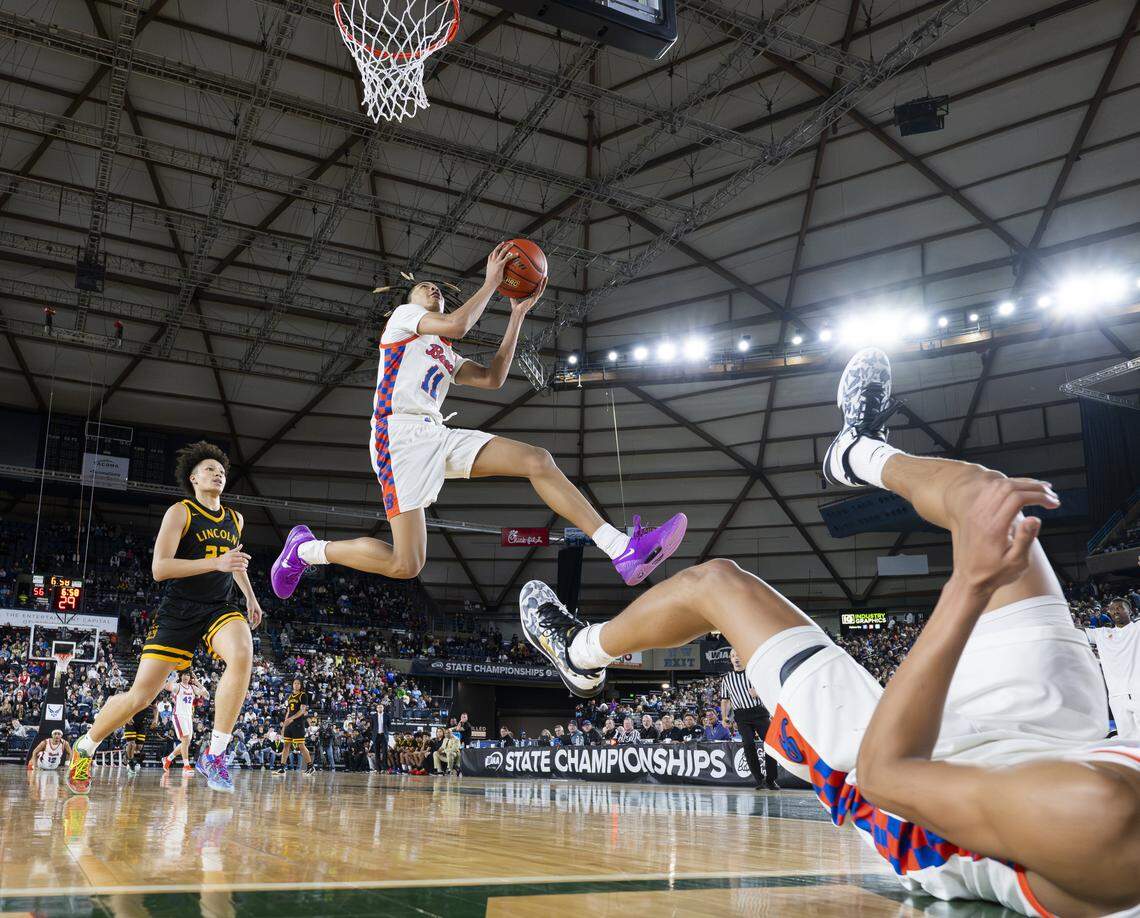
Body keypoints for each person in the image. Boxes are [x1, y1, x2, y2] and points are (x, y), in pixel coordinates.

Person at [520, 348, 1139, 917]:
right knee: (988, 499)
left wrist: (966, 590)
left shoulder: (1101, 824)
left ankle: (579, 652)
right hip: (1058, 735)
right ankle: (858, 452)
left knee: (717, 584)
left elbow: (885, 773)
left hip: (914, 784)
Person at [269, 245, 686, 600]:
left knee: (537, 460)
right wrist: (490, 281)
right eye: (424, 286)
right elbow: (458, 324)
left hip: (435, 432)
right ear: (410, 298)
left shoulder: (444, 352)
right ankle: (306, 551)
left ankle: (620, 549)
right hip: (398, 438)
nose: (432, 288)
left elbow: (493, 378)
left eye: (437, 290)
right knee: (405, 564)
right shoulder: (401, 321)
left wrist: (517, 314)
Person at [67, 441, 262, 795]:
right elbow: (160, 568)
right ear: (193, 478)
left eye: (221, 470)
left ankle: (215, 753)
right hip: (179, 610)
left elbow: (233, 563)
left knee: (243, 651)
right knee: (139, 698)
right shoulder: (180, 512)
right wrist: (214, 564)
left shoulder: (236, 518)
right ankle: (87, 745)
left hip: (219, 606)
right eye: (209, 469)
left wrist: (250, 595)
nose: (217, 473)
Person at [721, 648, 779, 789]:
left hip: (759, 712)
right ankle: (759, 780)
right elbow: (725, 700)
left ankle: (771, 779)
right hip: (742, 715)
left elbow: (770, 691)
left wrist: (758, 693)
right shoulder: (727, 679)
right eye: (733, 656)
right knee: (748, 744)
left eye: (738, 655)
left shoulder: (754, 674)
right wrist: (724, 716)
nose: (736, 658)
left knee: (770, 745)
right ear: (730, 659)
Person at [1086, 598, 1139, 739]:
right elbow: (1078, 632)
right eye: (1112, 609)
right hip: (1116, 696)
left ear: (1130, 611)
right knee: (1128, 740)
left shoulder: (1137, 628)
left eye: (1119, 607)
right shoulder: (1101, 634)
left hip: (1137, 691)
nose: (1115, 611)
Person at [162, 670, 208, 774]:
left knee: (186, 742)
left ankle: (168, 759)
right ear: (181, 676)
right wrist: (174, 677)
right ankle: (186, 766)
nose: (186, 677)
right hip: (178, 715)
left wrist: (197, 682)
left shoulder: (192, 688)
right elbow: (166, 686)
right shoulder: (178, 686)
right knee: (185, 739)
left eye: (188, 675)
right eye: (184, 674)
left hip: (188, 716)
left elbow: (206, 694)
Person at [274, 679, 316, 776]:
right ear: (292, 685)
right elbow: (288, 711)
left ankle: (310, 766)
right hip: (289, 723)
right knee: (286, 745)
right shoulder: (289, 696)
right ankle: (282, 768)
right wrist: (285, 724)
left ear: (300, 685)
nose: (296, 685)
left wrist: (291, 719)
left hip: (298, 723)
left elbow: (302, 711)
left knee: (301, 745)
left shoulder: (303, 695)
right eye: (295, 683)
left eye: (298, 683)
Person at [123, 701, 159, 774]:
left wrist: (155, 719)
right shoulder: (133, 691)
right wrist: (127, 716)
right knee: (132, 743)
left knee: (139, 747)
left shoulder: (151, 694)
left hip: (142, 722)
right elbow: (124, 704)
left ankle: (127, 754)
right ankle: (131, 763)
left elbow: (155, 708)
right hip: (131, 720)